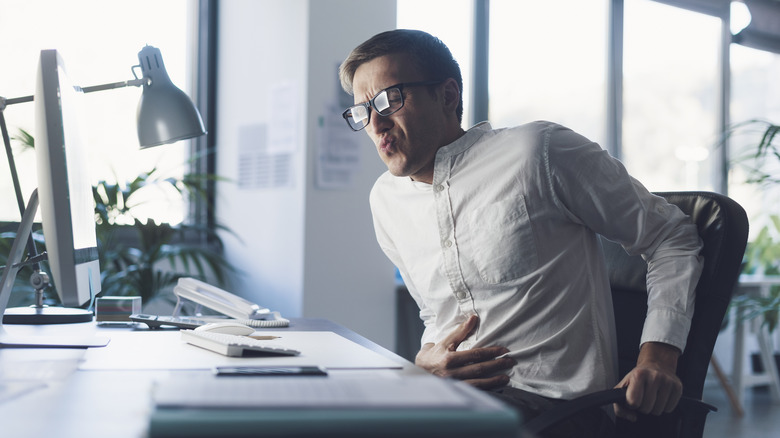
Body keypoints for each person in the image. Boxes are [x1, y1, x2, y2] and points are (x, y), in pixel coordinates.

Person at [338, 29, 703, 437]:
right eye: (362, 110)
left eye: (389, 98)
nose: (375, 122)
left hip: (558, 409)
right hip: (451, 401)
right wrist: (426, 361)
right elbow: (435, 313)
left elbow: (671, 237)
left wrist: (657, 358)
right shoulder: (385, 200)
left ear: (447, 95)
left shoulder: (539, 152)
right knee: (330, 410)